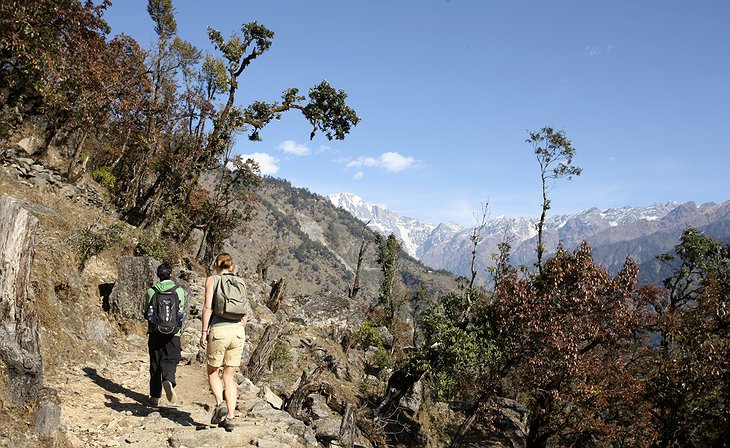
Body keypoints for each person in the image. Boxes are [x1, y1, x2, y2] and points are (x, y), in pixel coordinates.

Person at [199, 253, 248, 432]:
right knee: (230, 376)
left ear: (215, 264)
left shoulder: (212, 280)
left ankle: (220, 403)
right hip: (238, 331)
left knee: (213, 372)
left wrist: (204, 332)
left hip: (219, 329)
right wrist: (239, 327)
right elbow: (245, 313)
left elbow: (207, 307)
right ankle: (230, 417)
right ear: (231, 266)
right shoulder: (241, 282)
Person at [145, 262, 185, 406]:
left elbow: (147, 312)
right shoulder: (178, 290)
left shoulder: (152, 291)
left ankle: (155, 397)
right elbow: (181, 311)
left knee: (155, 363)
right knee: (172, 358)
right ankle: (168, 379)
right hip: (174, 332)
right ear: (170, 274)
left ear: (158, 275)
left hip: (155, 331)